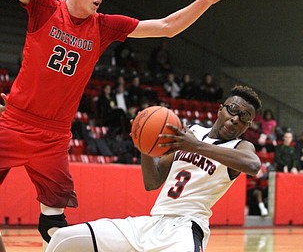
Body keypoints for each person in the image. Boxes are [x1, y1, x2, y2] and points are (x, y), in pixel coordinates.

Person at [0, 0, 226, 249]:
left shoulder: (104, 26)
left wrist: (207, 0)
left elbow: (166, 26)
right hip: (15, 123)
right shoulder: (44, 7)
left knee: (53, 227)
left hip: (55, 137)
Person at [46, 85, 262, 252]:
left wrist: (195, 146)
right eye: (233, 110)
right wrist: (144, 145)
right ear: (220, 109)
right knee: (62, 239)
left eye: (245, 118)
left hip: (186, 228)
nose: (235, 119)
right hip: (152, 222)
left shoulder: (240, 147)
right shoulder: (190, 131)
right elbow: (152, 182)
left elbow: (252, 165)